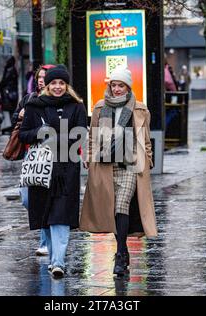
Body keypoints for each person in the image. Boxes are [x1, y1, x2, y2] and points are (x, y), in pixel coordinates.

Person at [80, 67, 158, 277]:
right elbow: (93, 136)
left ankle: (121, 253)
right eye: (113, 85)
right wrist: (88, 156)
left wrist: (148, 162)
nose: (116, 89)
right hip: (105, 165)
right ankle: (122, 250)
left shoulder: (140, 109)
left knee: (122, 205)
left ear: (128, 87)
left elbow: (146, 140)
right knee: (112, 209)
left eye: (120, 85)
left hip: (131, 164)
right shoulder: (99, 107)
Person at [19, 65, 87, 278]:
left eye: (61, 83)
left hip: (67, 168)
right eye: (53, 83)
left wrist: (58, 138)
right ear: (47, 85)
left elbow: (81, 134)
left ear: (66, 85)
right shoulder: (34, 106)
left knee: (61, 215)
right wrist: (40, 132)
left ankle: (58, 262)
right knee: (45, 215)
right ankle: (52, 258)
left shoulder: (76, 106)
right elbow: (23, 134)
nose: (58, 87)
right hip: (42, 169)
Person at [11, 64, 55, 257]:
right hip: (32, 156)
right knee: (28, 199)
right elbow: (17, 120)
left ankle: (46, 242)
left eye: (45, 76)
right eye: (39, 76)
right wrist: (20, 115)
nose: (40, 79)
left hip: (53, 155)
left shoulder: (57, 102)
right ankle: (48, 237)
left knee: (45, 199)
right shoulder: (29, 99)